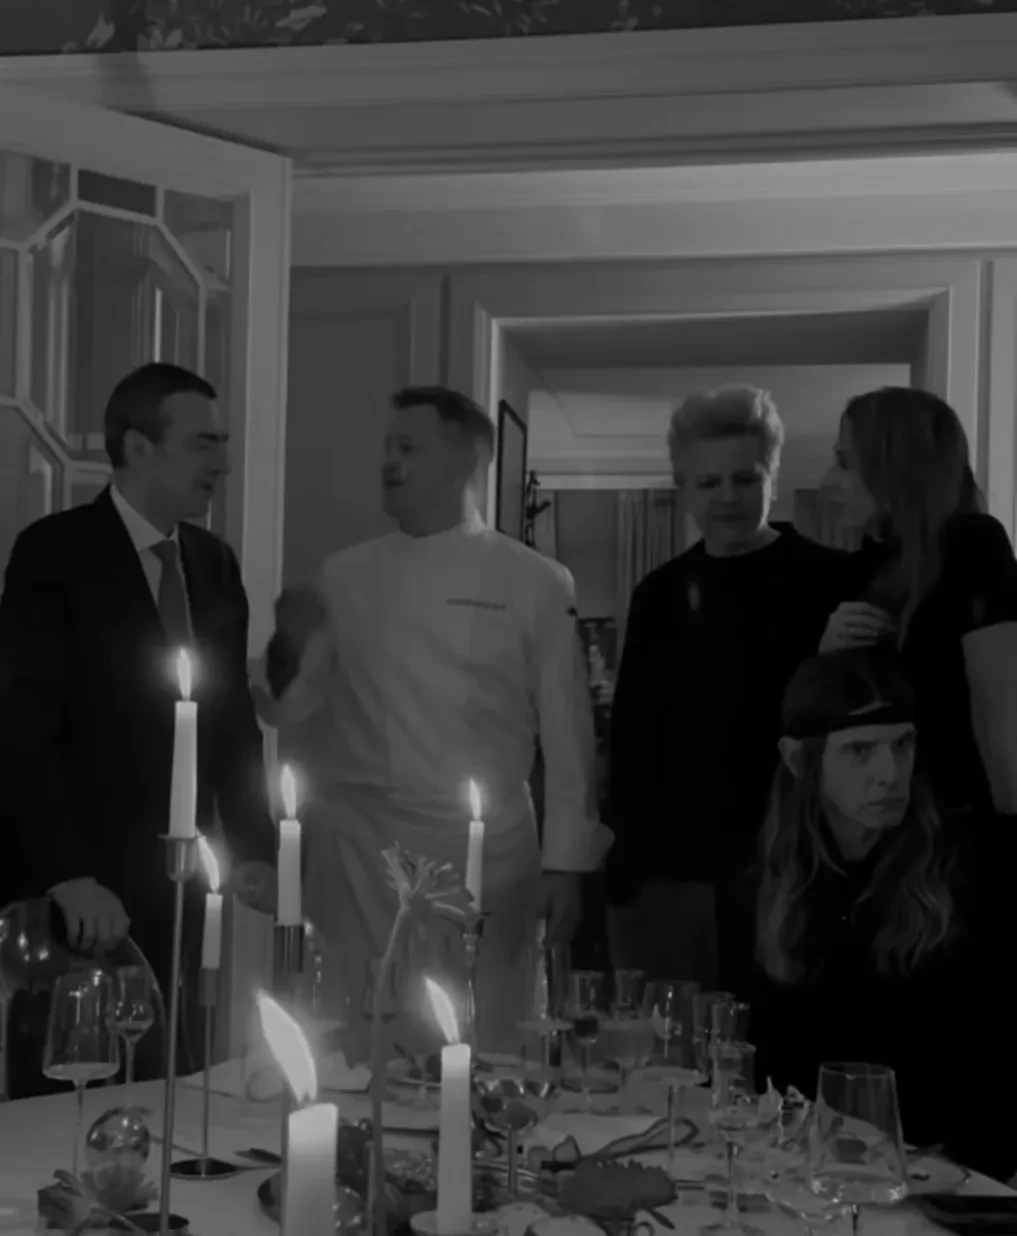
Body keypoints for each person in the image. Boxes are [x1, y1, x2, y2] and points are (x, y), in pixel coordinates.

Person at [256, 385, 608, 1053]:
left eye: (408, 447)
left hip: (485, 847)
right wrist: (283, 650)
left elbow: (568, 734)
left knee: (481, 1033)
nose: (389, 461)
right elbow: (292, 707)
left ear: (464, 461)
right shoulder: (343, 574)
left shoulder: (534, 580)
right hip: (361, 846)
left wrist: (566, 863)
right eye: (387, 448)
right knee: (356, 1030)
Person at [0, 362, 277, 1086]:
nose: (221, 463)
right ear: (138, 447)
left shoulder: (214, 565)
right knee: (67, 1090)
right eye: (203, 443)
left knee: (167, 1081)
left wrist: (256, 846)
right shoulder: (55, 551)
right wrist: (69, 874)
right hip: (77, 889)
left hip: (177, 881)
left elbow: (231, 723)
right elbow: (21, 726)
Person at [606, 385, 854, 992]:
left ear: (773, 476)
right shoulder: (660, 594)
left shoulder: (832, 581)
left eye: (745, 479)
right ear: (682, 487)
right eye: (708, 482)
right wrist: (624, 868)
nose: (727, 497)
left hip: (800, 863)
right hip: (676, 870)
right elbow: (634, 735)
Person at [750, 648, 1017, 1182]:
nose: (889, 773)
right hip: (814, 1172)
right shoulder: (769, 887)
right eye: (860, 750)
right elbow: (767, 1071)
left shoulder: (971, 872)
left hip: (952, 1176)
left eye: (902, 744)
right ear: (799, 760)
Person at [820, 387, 1017, 816]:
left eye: (846, 462)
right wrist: (829, 654)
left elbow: (1003, 717)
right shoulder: (867, 567)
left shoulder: (973, 544)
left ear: (896, 466)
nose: (829, 481)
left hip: (957, 823)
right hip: (889, 822)